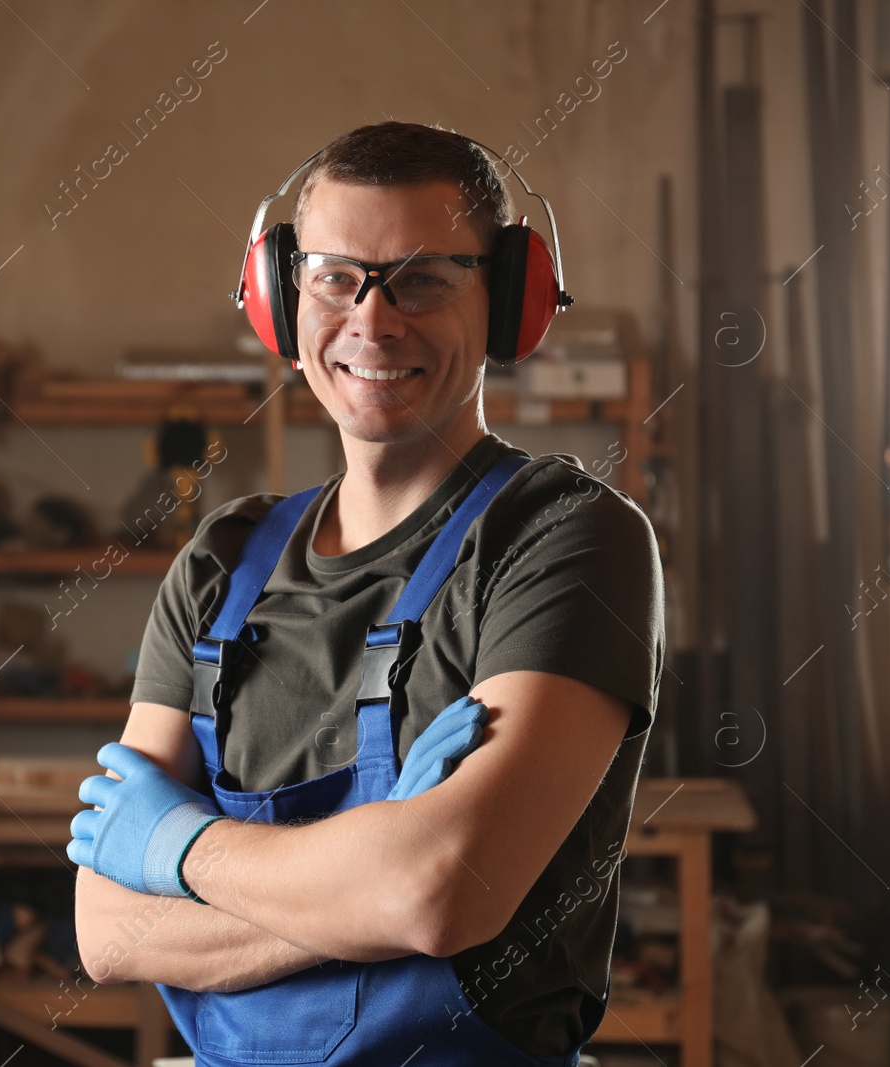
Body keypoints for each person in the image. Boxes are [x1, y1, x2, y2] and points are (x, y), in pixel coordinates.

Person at [69, 121, 665, 1065]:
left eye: (424, 277)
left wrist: (174, 846)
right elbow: (106, 929)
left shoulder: (565, 537)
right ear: (278, 299)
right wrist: (373, 881)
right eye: (335, 276)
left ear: (511, 300)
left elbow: (438, 890)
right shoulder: (221, 562)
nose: (374, 319)